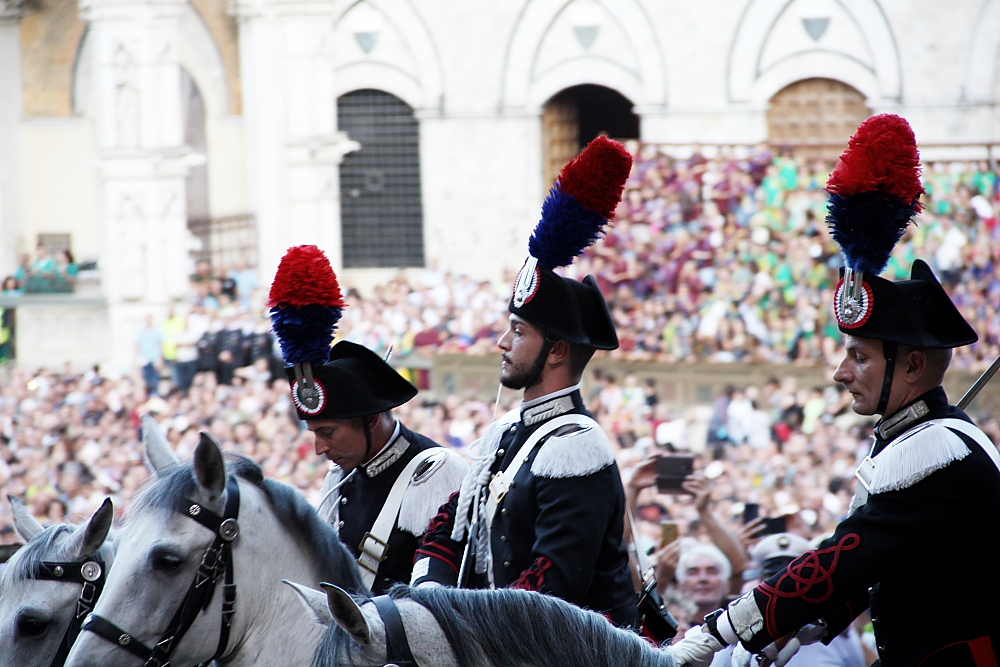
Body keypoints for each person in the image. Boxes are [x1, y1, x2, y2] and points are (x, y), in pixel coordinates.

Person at [697, 115, 1000, 666]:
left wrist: (722, 629)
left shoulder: (940, 451)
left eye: (858, 357)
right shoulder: (919, 442)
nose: (840, 372)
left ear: (911, 366)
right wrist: (813, 622)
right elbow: (890, 565)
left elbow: (847, 559)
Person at [412, 137, 640, 628]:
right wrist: (429, 594)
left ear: (556, 350)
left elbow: (552, 587)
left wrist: (459, 625)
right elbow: (449, 526)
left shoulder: (578, 446)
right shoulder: (509, 433)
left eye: (517, 332)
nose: (501, 343)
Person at [269, 244, 468, 594]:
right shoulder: (341, 478)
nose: (318, 449)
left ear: (372, 418)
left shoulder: (437, 473)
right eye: (315, 433)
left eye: (327, 432)